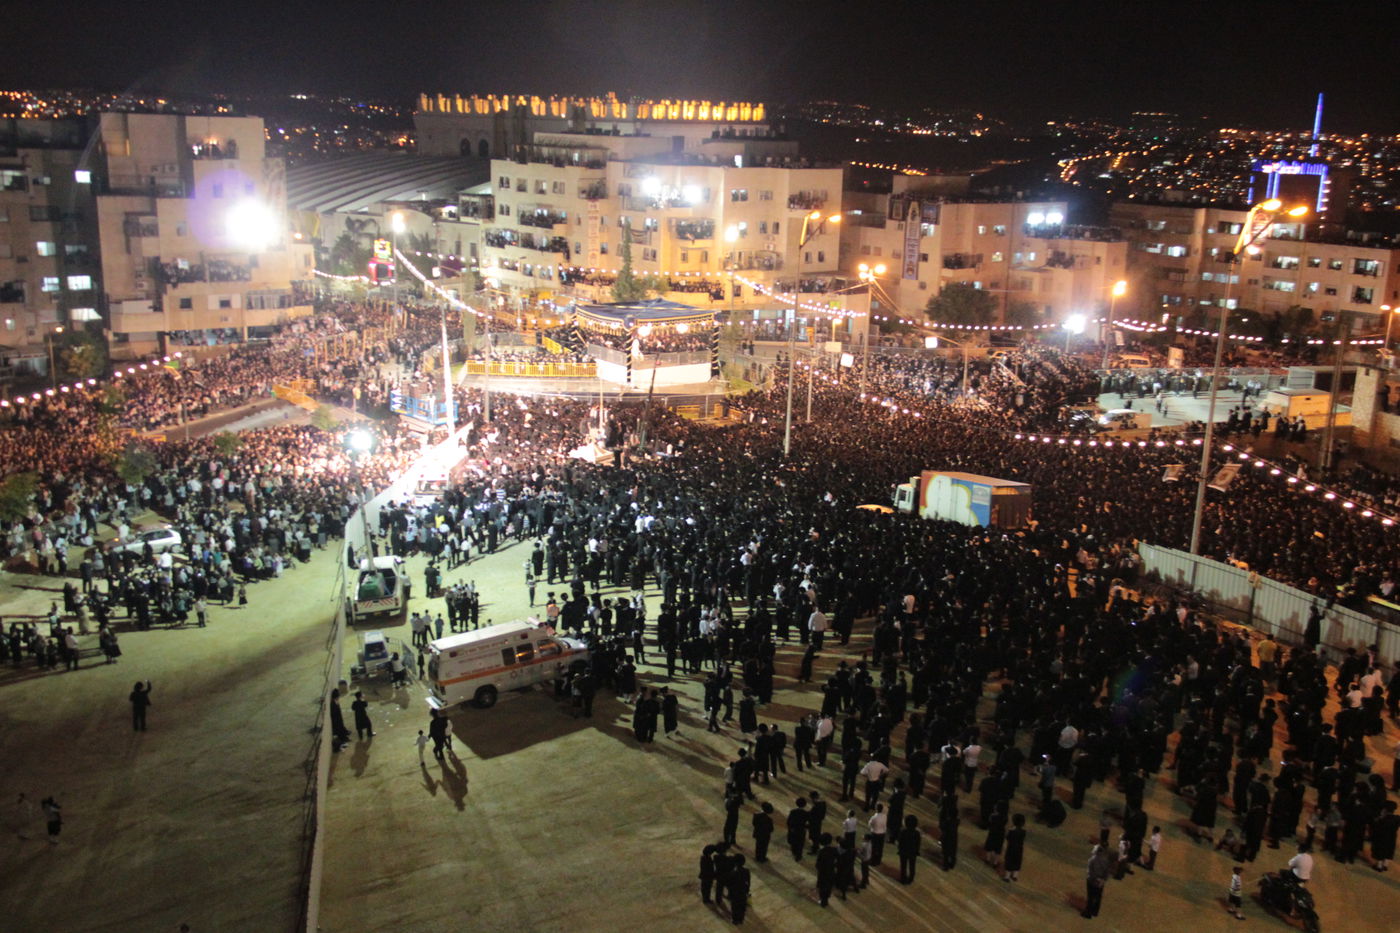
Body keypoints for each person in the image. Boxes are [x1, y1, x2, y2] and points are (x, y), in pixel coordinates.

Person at [1083, 845, 1112, 918]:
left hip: (1092, 881)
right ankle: (1095, 912)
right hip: (1100, 883)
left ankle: (1088, 913)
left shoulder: (1091, 860)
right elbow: (1107, 872)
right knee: (1098, 897)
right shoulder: (1106, 861)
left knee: (1090, 897)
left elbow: (1090, 872)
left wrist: (1096, 879)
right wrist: (1103, 880)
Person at [726, 853, 750, 925]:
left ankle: (735, 919)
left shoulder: (732, 873)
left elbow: (729, 884)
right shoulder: (746, 871)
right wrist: (747, 890)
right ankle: (741, 919)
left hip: (735, 893)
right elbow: (748, 881)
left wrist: (730, 893)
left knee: (735, 907)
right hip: (742, 892)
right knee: (742, 906)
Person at [815, 833, 838, 906]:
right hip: (831, 871)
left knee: (822, 887)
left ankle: (823, 901)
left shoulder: (821, 852)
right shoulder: (834, 850)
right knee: (828, 886)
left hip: (823, 873)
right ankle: (826, 898)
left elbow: (818, 864)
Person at [897, 814, 921, 884]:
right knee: (912, 865)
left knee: (903, 866)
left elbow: (900, 842)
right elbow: (918, 843)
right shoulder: (917, 833)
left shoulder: (903, 832)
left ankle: (903, 879)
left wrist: (899, 849)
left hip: (904, 851)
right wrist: (917, 850)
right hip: (912, 852)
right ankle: (911, 878)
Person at [1004, 813, 1027, 882]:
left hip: (1011, 849)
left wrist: (1009, 830)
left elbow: (1008, 838)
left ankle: (1007, 877)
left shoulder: (1012, 831)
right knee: (1017, 862)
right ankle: (1014, 876)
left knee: (1009, 863)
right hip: (1019, 849)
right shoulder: (1023, 832)